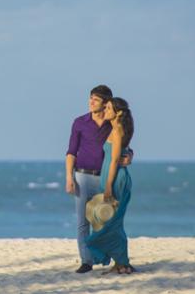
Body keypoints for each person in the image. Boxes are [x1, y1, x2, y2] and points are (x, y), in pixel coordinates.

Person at [65, 85, 131, 274]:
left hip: (105, 179)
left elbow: (124, 145)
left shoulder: (113, 122)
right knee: (82, 222)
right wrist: (69, 177)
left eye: (95, 99)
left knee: (106, 220)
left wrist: (130, 156)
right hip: (82, 177)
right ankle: (86, 261)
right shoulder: (79, 122)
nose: (90, 102)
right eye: (90, 98)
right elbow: (71, 152)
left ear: (106, 103)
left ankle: (108, 257)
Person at [86, 97, 135, 274]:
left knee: (113, 223)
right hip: (110, 177)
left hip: (114, 179)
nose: (105, 111)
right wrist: (130, 154)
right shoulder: (115, 128)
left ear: (118, 112)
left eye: (108, 108)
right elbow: (125, 150)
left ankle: (123, 263)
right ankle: (120, 263)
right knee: (110, 221)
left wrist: (107, 187)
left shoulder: (118, 130)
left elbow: (115, 160)